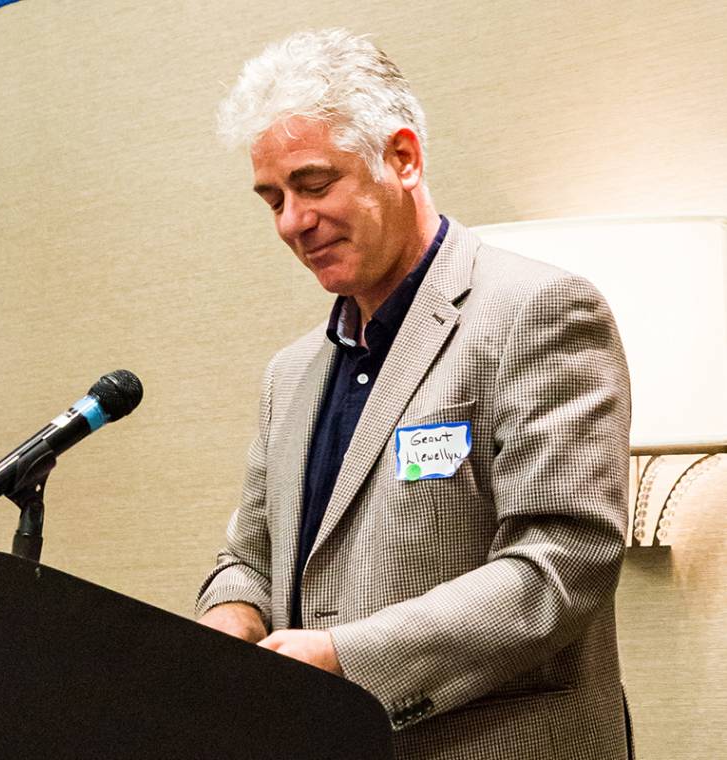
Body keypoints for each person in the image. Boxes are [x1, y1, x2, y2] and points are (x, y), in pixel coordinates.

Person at [196, 28, 633, 759]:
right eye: (271, 198)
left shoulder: (540, 311)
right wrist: (227, 625)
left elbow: (560, 561)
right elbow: (250, 555)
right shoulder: (292, 372)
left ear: (402, 158)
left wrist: (346, 659)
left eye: (312, 184)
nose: (290, 223)